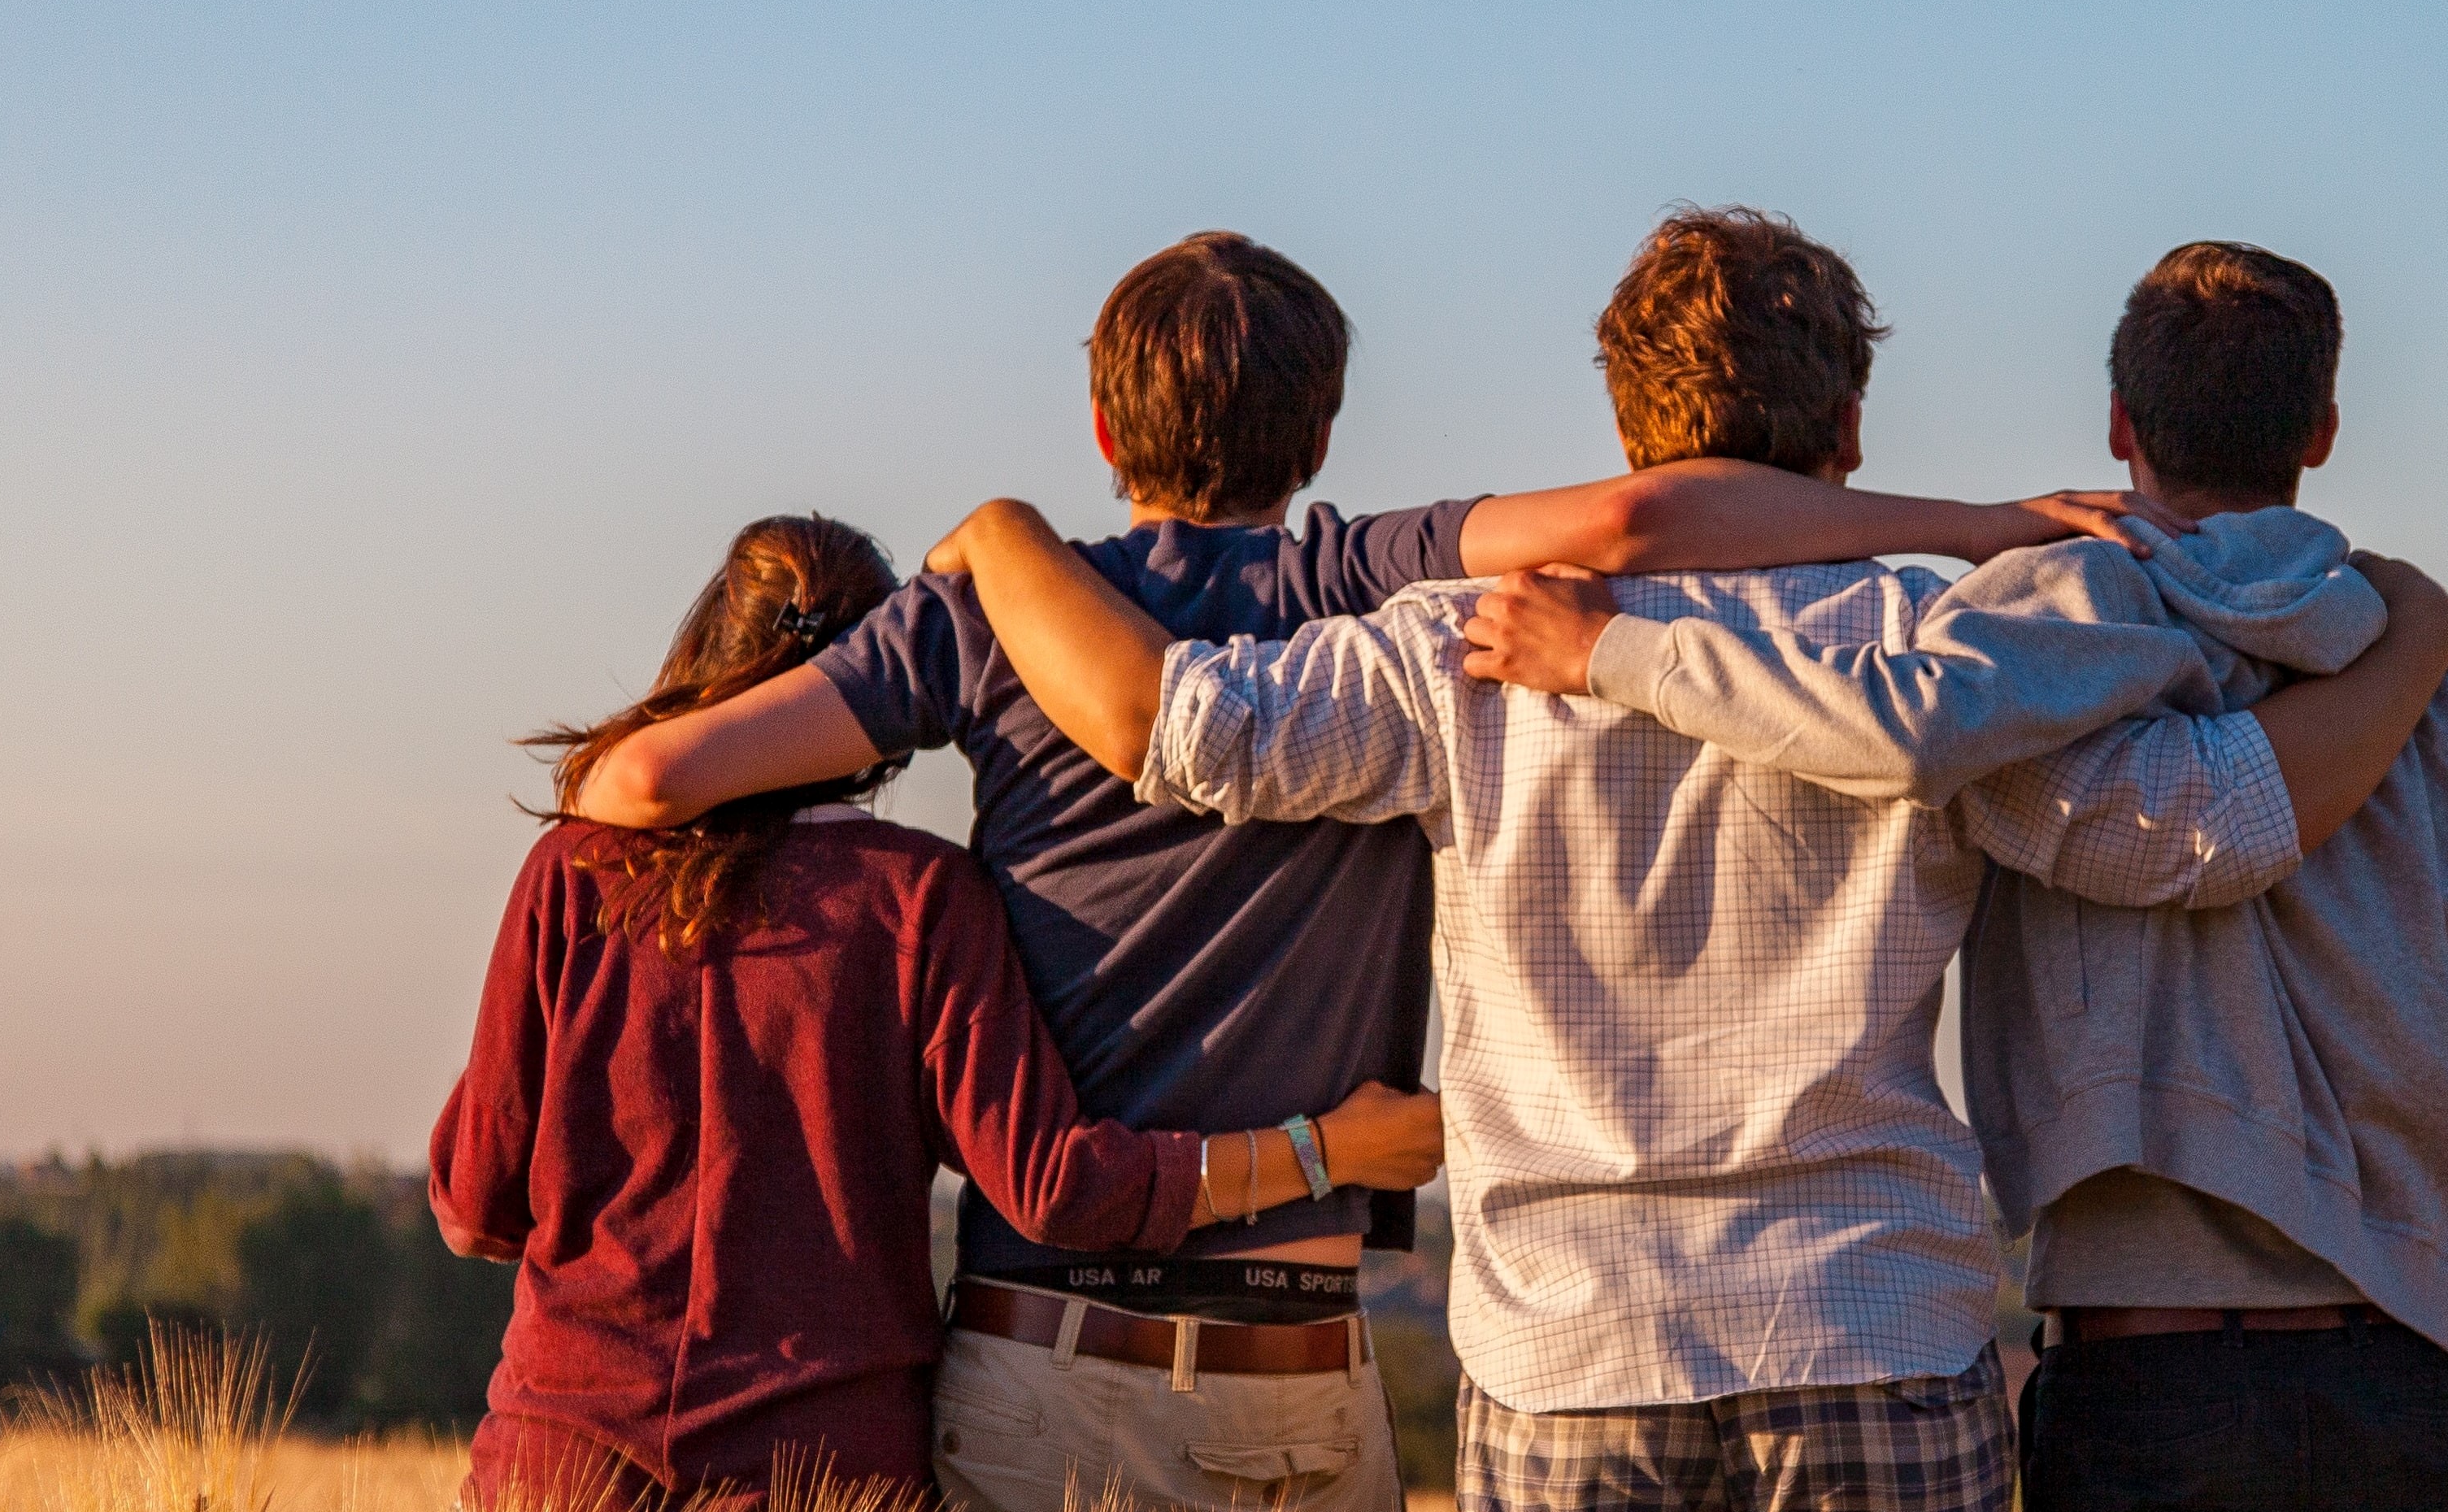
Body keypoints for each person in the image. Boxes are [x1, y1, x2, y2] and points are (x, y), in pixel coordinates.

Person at [560, 232, 2186, 1512]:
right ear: (1322, 427)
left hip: (1104, 1345)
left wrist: (984, 550)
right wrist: (1981, 527)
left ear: (1104, 425)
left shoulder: (1029, 616)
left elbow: (642, 781)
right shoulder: (1368, 579)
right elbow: (1635, 520)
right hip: (1403, 1344)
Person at [937, 209, 2448, 1512]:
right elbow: (2196, 831)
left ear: (1624, 426)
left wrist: (1002, 540)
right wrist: (2406, 649)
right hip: (1868, 1319)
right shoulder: (1936, 652)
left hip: (1567, 1354)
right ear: (1848, 430)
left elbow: (1184, 731)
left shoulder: (1453, 650)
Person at [1462, 241, 2448, 1511]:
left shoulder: (2032, 652)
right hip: (2403, 1368)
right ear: (2320, 429)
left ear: (2120, 422)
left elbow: (1907, 730)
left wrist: (1620, 650)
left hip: (2138, 1371)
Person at [428, 514, 1446, 1511]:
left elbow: (476, 1207)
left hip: (561, 1456)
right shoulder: (917, 899)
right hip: (820, 1465)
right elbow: (1055, 1189)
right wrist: (1327, 1151)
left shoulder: (572, 872)